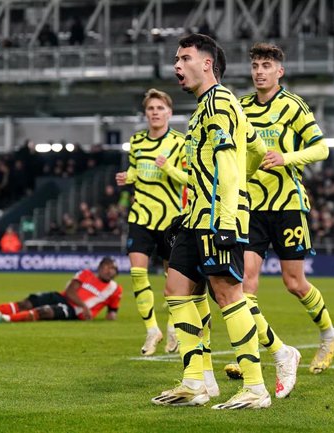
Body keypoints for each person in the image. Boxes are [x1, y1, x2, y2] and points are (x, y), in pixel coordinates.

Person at [151, 33, 268, 409]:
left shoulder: (220, 102)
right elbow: (255, 148)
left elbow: (231, 166)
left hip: (217, 218)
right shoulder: (204, 107)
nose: (177, 66)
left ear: (207, 63)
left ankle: (255, 387)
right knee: (176, 289)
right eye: (176, 59)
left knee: (228, 295)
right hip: (195, 215)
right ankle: (195, 382)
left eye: (184, 58)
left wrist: (229, 217)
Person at [223, 43, 334, 392]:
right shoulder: (240, 108)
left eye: (267, 65)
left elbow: (322, 148)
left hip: (287, 204)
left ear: (279, 72)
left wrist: (287, 158)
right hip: (252, 208)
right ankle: (251, 354)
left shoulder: (293, 106)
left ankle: (329, 333)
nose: (260, 71)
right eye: (256, 65)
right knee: (245, 284)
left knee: (294, 283)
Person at [115, 88, 189, 356]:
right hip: (141, 215)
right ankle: (151, 330)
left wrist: (168, 167)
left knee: (174, 281)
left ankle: (172, 327)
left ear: (169, 112)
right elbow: (137, 169)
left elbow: (189, 178)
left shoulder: (180, 142)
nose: (155, 113)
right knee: (136, 272)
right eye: (151, 109)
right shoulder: (136, 141)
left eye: (160, 108)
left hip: (171, 219)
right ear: (145, 114)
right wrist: (128, 177)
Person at [0, 257, 121, 323]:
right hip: (62, 297)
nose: (109, 271)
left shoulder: (115, 289)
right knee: (26, 303)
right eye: (107, 267)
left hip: (75, 311)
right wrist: (85, 306)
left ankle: (3, 319)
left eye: (113, 268)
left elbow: (112, 313)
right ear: (100, 268)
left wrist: (106, 318)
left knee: (45, 312)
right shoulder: (86, 274)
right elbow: (70, 291)